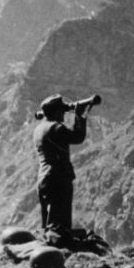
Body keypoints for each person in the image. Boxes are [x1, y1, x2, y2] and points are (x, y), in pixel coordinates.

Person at [33, 94, 89, 233]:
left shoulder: (39, 129)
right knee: (60, 226)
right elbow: (78, 137)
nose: (64, 113)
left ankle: (47, 251)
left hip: (44, 178)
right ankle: (59, 250)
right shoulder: (56, 128)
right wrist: (80, 115)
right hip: (59, 179)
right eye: (61, 111)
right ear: (56, 111)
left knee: (48, 223)